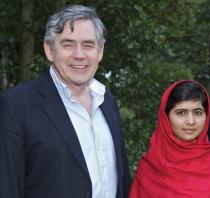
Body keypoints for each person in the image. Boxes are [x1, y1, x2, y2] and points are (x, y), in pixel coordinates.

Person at [0, 5, 130, 198]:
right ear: (49, 50)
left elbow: (122, 181)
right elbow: (7, 187)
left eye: (88, 45)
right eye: (68, 44)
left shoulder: (107, 101)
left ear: (100, 51)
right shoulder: (16, 105)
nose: (79, 54)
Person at [129, 80, 210, 198]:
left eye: (198, 112)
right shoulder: (151, 164)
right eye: (181, 113)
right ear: (166, 117)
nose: (191, 121)